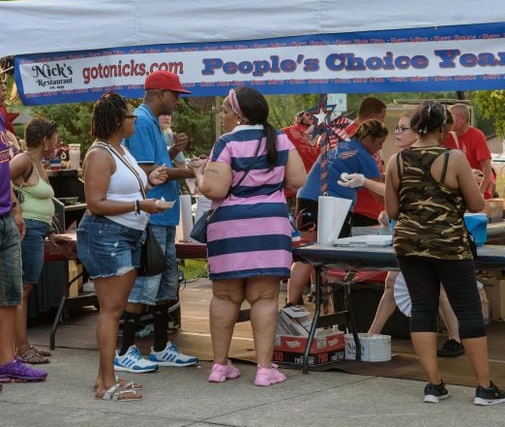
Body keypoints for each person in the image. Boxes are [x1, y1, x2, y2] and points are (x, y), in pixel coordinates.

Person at [385, 101, 505, 405]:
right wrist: (473, 187)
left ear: (416, 127)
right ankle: (483, 387)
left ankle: (434, 385)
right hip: (449, 245)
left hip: (409, 244)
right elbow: (477, 205)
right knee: (467, 310)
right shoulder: (454, 158)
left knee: (423, 310)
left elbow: (391, 210)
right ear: (445, 128)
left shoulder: (396, 161)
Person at [191, 87, 305, 385]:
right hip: (270, 226)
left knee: (225, 296)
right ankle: (265, 369)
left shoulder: (226, 143)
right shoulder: (279, 138)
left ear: (240, 114)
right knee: (265, 297)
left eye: (226, 111)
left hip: (229, 228)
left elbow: (215, 190)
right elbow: (298, 179)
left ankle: (219, 366)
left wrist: (198, 176)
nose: (223, 115)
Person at [76, 91, 170, 401]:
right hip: (106, 236)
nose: (134, 120)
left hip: (125, 235)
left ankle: (107, 378)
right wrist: (140, 203)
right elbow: (95, 203)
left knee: (113, 311)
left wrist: (149, 181)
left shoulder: (119, 150)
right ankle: (105, 384)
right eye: (129, 116)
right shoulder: (100, 153)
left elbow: (123, 188)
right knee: (112, 312)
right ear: (118, 121)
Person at [355, 112, 464, 357]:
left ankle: (455, 338)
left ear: (419, 132)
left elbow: (397, 195)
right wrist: (389, 214)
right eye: (398, 128)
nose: (397, 132)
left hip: (424, 237)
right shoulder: (403, 160)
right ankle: (371, 336)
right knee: (392, 283)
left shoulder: (412, 160)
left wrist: (364, 182)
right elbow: (400, 199)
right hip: (412, 236)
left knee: (435, 290)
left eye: (403, 128)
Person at [117, 71, 198, 373]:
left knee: (166, 283)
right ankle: (125, 349)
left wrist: (174, 153)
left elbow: (158, 160)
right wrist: (191, 171)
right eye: (175, 95)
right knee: (145, 282)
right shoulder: (140, 121)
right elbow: (148, 169)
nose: (178, 101)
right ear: (160, 92)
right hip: (151, 216)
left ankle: (161, 346)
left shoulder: (150, 122)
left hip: (163, 215)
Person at [287, 119, 388, 306]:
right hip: (331, 204)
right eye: (379, 143)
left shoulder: (343, 145)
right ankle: (331, 305)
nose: (379, 148)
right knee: (333, 256)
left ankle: (291, 303)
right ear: (368, 138)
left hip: (306, 198)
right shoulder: (364, 156)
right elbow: (381, 193)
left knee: (307, 253)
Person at [0, 107, 48, 383]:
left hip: (6, 216)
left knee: (11, 292)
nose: (2, 88)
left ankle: (7, 360)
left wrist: (15, 209)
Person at [9, 118, 58, 364]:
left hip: (39, 231)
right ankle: (21, 348)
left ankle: (22, 345)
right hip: (27, 231)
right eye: (55, 137)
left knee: (25, 288)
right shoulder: (24, 160)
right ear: (45, 139)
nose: (57, 142)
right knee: (22, 290)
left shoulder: (37, 161)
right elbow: (2, 178)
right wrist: (15, 205)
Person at [343, 97, 387, 228]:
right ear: (372, 116)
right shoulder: (358, 135)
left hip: (368, 208)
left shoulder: (355, 132)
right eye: (382, 117)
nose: (383, 122)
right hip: (362, 210)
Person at [445, 104, 494, 199]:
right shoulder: (447, 136)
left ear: (463, 119)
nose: (448, 121)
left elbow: (486, 168)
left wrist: (480, 193)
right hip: (458, 192)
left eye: (451, 118)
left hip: (476, 190)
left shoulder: (477, 135)